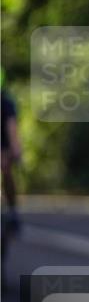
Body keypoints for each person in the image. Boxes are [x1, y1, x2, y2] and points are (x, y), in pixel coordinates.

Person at [1, 71, 22, 281]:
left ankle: (13, 209)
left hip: (3, 150)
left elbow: (12, 131)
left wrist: (15, 150)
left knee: (7, 168)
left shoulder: (6, 104)